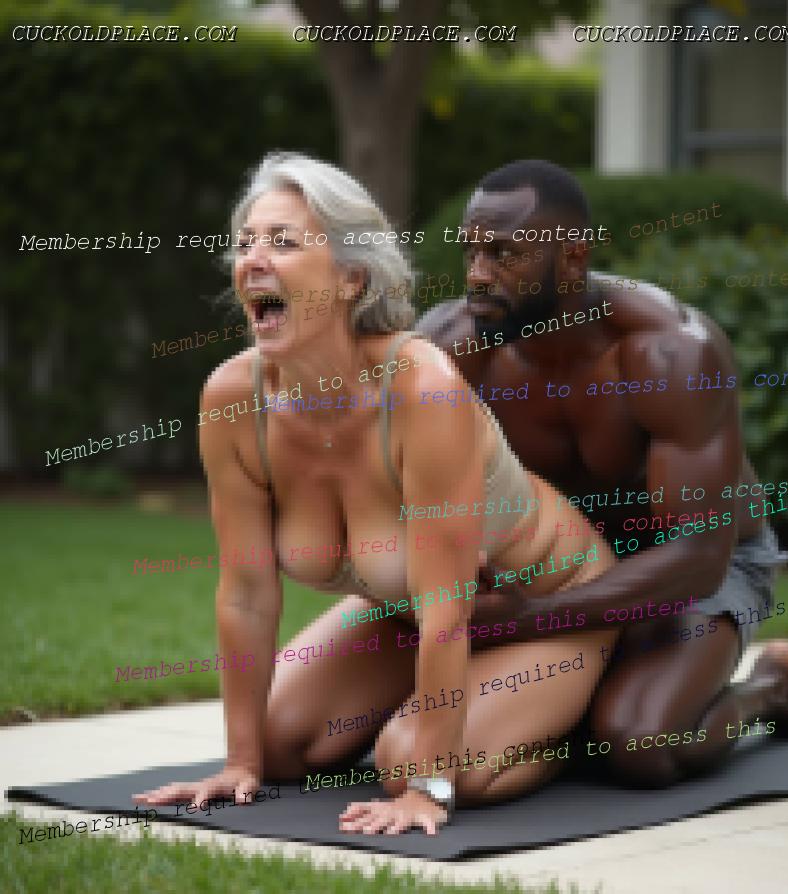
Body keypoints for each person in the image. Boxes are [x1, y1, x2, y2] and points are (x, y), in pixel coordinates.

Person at [134, 153, 618, 836]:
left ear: (351, 278)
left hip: (549, 605)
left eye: (283, 242)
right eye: (245, 244)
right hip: (408, 615)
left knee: (412, 763)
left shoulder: (422, 388)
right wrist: (240, 761)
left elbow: (447, 608)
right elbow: (245, 593)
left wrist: (428, 786)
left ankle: (567, 733)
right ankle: (455, 711)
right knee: (276, 745)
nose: (253, 260)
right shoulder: (232, 400)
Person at [417, 159, 788, 787]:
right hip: (557, 564)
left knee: (640, 743)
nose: (477, 275)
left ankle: (768, 690)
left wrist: (528, 619)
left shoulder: (671, 352)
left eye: (503, 254)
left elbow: (698, 555)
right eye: (471, 252)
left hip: (694, 566)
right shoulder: (452, 349)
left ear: (573, 260)